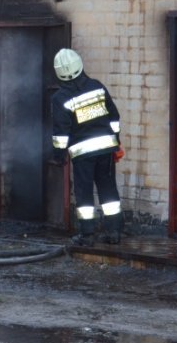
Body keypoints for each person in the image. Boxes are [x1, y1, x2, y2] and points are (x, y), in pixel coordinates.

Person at [51, 48, 124, 246]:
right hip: (106, 150)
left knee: (84, 193)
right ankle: (114, 233)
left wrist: (58, 156)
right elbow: (114, 117)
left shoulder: (59, 99)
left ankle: (87, 236)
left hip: (83, 154)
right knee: (109, 191)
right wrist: (115, 141)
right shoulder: (97, 87)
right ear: (80, 66)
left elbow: (61, 133)